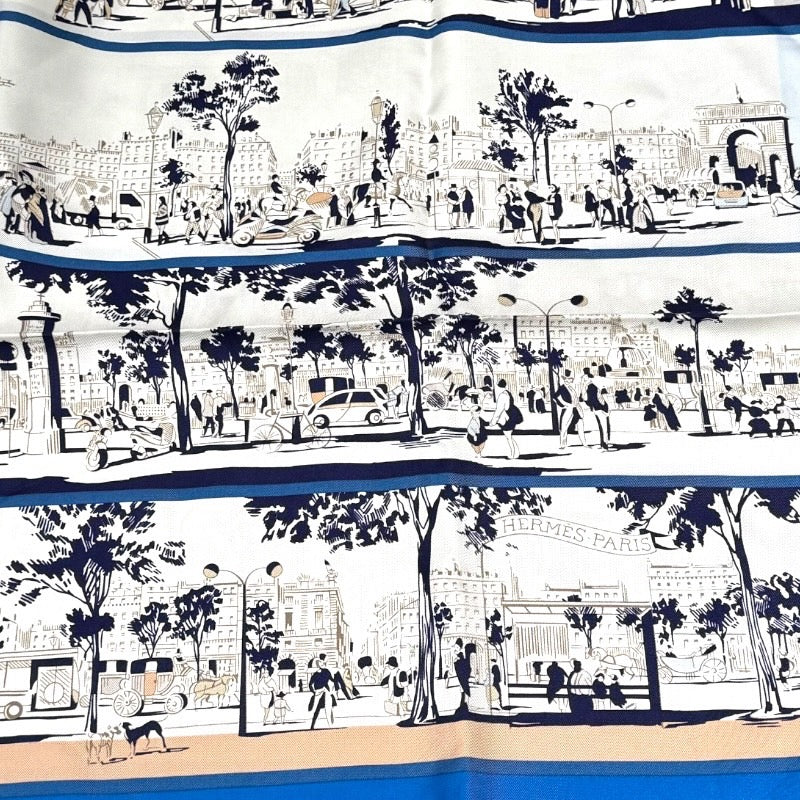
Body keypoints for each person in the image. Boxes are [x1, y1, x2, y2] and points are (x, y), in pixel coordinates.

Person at [555, 370, 587, 450]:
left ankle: (584, 443)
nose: (567, 380)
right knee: (564, 427)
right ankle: (562, 444)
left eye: (569, 379)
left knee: (580, 425)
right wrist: (563, 404)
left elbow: (575, 398)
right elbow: (555, 397)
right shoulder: (562, 388)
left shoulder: (571, 388)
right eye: (566, 379)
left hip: (576, 408)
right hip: (568, 409)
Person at [490, 379, 521, 459]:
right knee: (509, 436)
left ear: (498, 386)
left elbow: (499, 410)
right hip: (511, 416)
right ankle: (516, 453)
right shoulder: (507, 393)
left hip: (507, 418)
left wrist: (493, 421)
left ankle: (513, 454)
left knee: (508, 436)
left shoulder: (502, 395)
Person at [308, 658, 335, 730]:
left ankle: (331, 725)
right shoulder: (315, 674)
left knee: (329, 708)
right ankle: (312, 726)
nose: (322, 663)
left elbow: (332, 680)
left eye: (322, 662)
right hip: (319, 692)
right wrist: (314, 692)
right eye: (320, 662)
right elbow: (310, 684)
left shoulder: (326, 671)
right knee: (316, 710)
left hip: (326, 692)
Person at [453, 639, 473, 713]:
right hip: (461, 677)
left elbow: (463, 667)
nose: (455, 649)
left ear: (460, 648)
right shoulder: (459, 656)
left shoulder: (460, 656)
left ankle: (463, 705)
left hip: (462, 677)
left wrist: (456, 662)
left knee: (463, 691)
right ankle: (463, 705)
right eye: (455, 647)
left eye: (457, 647)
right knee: (462, 691)